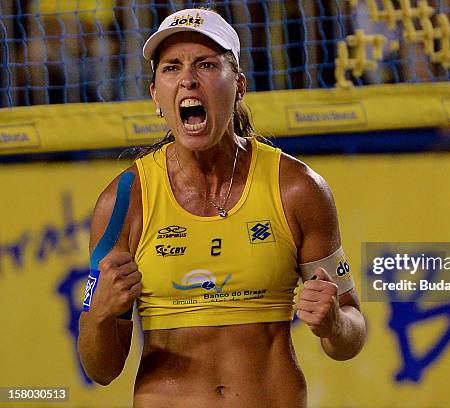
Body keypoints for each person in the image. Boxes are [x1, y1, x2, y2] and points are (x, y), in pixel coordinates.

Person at [77, 8, 366, 407]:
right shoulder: (125, 200)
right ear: (156, 96)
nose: (188, 79)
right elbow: (101, 370)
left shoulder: (296, 188)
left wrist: (334, 323)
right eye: (171, 68)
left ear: (239, 86)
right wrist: (100, 315)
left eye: (206, 65)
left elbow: (352, 333)